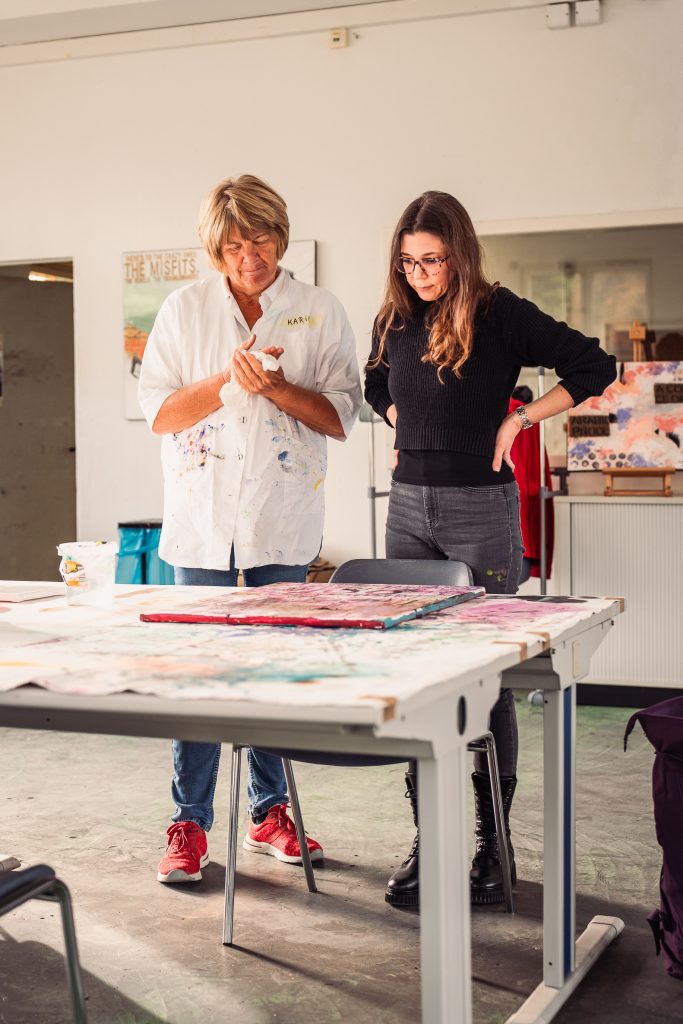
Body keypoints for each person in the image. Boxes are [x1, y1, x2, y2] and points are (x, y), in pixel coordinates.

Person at [364, 190, 616, 908]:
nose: (419, 274)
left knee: (488, 676)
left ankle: (490, 848)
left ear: (460, 253)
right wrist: (394, 418)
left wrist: (521, 421)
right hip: (407, 509)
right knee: (415, 670)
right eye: (408, 262)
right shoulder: (395, 315)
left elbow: (593, 366)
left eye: (433, 261)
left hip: (480, 510)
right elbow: (374, 379)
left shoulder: (500, 312)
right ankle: (429, 841)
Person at [139, 174, 362, 883]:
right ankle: (188, 823)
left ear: (280, 235)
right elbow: (161, 414)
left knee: (273, 674)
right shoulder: (183, 309)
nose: (250, 256)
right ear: (214, 249)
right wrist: (225, 384)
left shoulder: (317, 309)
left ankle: (271, 812)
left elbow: (341, 416)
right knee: (197, 675)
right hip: (202, 524)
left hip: (281, 520)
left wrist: (278, 390)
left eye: (261, 238)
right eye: (234, 244)